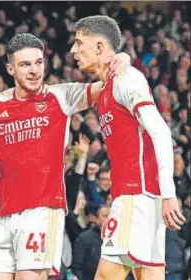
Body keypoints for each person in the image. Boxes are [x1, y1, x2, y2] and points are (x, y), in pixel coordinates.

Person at [0, 33, 130, 280]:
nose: (34, 70)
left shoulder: (61, 96)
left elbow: (107, 84)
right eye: (25, 64)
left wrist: (122, 58)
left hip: (43, 210)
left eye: (38, 63)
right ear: (10, 69)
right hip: (5, 215)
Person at [70, 15, 186, 280]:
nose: (73, 51)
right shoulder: (107, 87)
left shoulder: (125, 78)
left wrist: (168, 194)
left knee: (106, 276)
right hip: (138, 198)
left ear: (99, 47)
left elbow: (161, 131)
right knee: (150, 275)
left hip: (139, 196)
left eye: (79, 43)